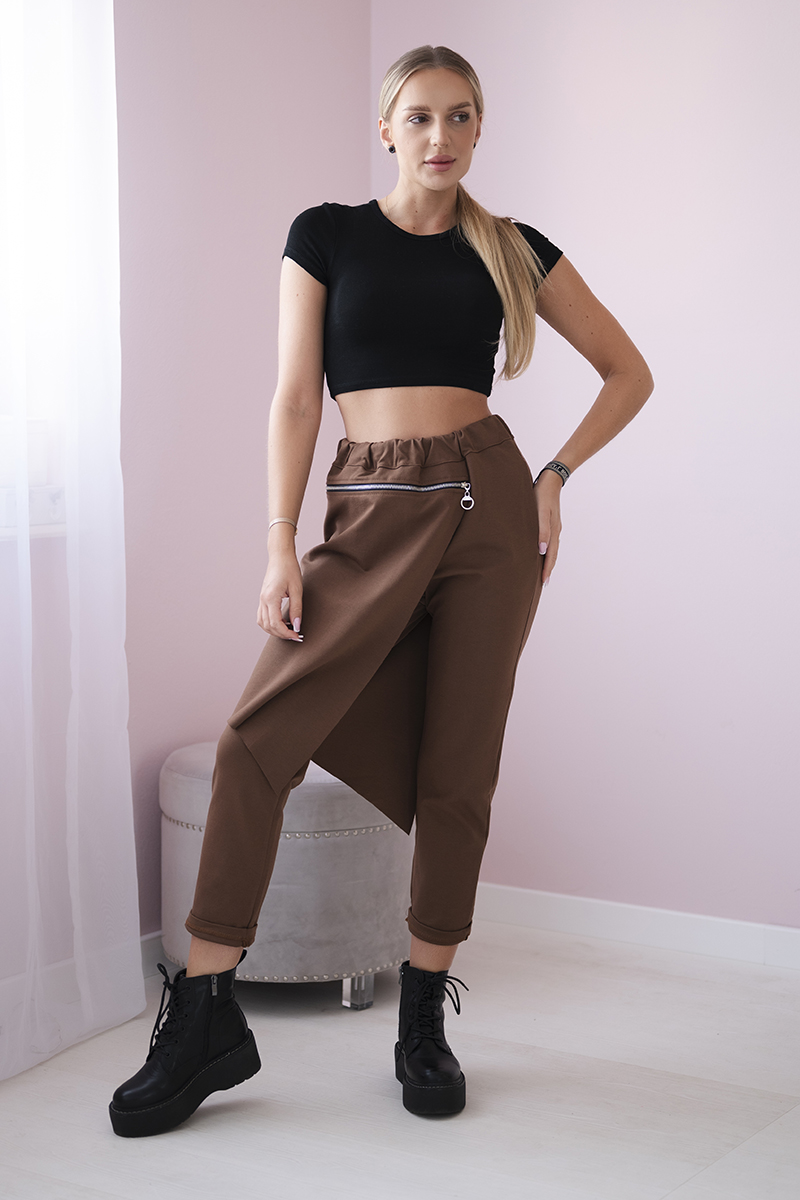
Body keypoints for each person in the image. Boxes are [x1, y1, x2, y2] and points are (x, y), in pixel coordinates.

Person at [109, 44, 653, 1137]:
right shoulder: (326, 235)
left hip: (485, 512)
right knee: (254, 744)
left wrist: (551, 476)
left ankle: (420, 1018)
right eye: (419, 116)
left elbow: (628, 372)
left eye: (459, 117)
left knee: (459, 771)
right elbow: (295, 400)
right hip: (366, 510)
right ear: (385, 127)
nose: (439, 137)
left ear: (478, 128)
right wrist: (279, 544)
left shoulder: (510, 248)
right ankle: (205, 1017)